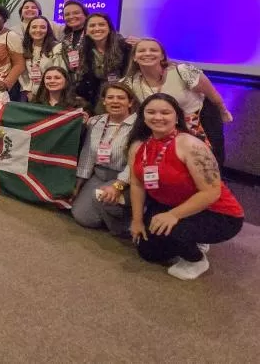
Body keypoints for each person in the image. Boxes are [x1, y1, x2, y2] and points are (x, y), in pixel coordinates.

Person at [127, 94, 243, 280]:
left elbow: (212, 192)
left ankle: (196, 259)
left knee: (175, 231)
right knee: (148, 252)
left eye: (165, 112)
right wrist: (137, 220)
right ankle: (191, 236)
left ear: (176, 116)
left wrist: (174, 215)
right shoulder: (138, 146)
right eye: (151, 112)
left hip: (216, 211)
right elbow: (137, 184)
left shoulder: (190, 144)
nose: (158, 117)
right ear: (143, 116)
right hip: (170, 204)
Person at [122, 38, 232, 160]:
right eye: (141, 51)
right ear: (134, 57)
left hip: (200, 123)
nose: (147, 53)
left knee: (209, 163)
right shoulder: (131, 82)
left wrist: (223, 111)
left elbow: (212, 94)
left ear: (162, 56)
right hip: (164, 128)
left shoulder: (183, 71)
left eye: (153, 50)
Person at [71, 83, 138, 236]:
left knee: (102, 196)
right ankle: (112, 211)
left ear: (130, 102)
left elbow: (134, 164)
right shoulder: (95, 122)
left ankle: (125, 227)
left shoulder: (139, 125)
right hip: (99, 175)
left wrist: (117, 186)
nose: (115, 101)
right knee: (82, 216)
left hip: (125, 178)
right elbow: (87, 154)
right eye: (110, 97)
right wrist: (78, 184)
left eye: (121, 98)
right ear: (104, 101)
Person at [74, 13, 130, 109]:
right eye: (92, 26)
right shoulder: (82, 51)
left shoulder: (125, 47)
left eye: (101, 24)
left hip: (123, 99)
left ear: (109, 28)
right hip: (96, 101)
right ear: (86, 31)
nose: (97, 28)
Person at [20, 16, 64, 100]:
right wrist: (28, 91)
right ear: (28, 30)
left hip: (51, 93)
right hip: (30, 94)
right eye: (34, 27)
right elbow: (23, 74)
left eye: (43, 27)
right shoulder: (25, 47)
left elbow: (60, 73)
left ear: (48, 30)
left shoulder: (56, 48)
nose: (38, 30)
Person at [59, 0, 88, 75]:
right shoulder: (65, 39)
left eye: (76, 13)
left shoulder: (92, 35)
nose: (71, 17)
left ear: (85, 15)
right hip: (72, 82)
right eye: (67, 14)